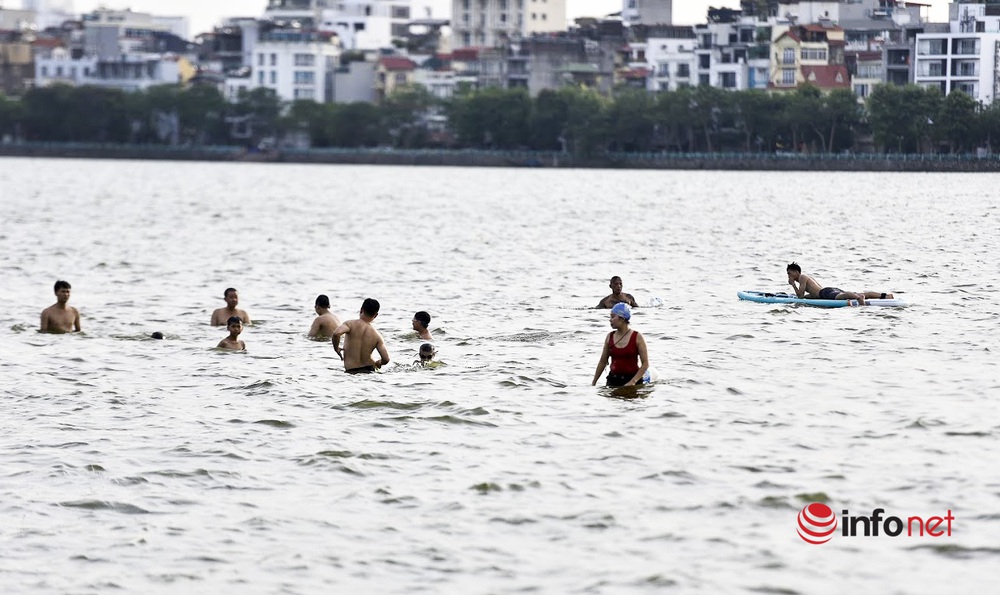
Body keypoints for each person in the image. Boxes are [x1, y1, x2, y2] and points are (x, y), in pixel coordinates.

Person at [592, 302, 649, 387]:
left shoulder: (637, 337)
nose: (610, 320)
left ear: (622, 319)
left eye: (613, 317)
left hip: (632, 380)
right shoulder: (609, 337)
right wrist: (594, 382)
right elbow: (602, 362)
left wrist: (633, 381)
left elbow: (645, 364)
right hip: (613, 380)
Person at [786, 263, 894, 306]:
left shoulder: (802, 277)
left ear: (796, 272)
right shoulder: (805, 278)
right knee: (847, 294)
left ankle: (858, 297)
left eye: (789, 273)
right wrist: (807, 297)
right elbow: (813, 294)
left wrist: (793, 285)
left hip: (826, 293)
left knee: (842, 297)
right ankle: (886, 296)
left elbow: (800, 297)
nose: (789, 276)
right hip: (827, 291)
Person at [331, 298, 390, 374]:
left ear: (361, 310)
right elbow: (386, 359)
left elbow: (336, 333)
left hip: (351, 372)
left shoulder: (350, 324)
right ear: (375, 315)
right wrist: (379, 362)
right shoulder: (377, 335)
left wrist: (336, 348)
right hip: (369, 371)